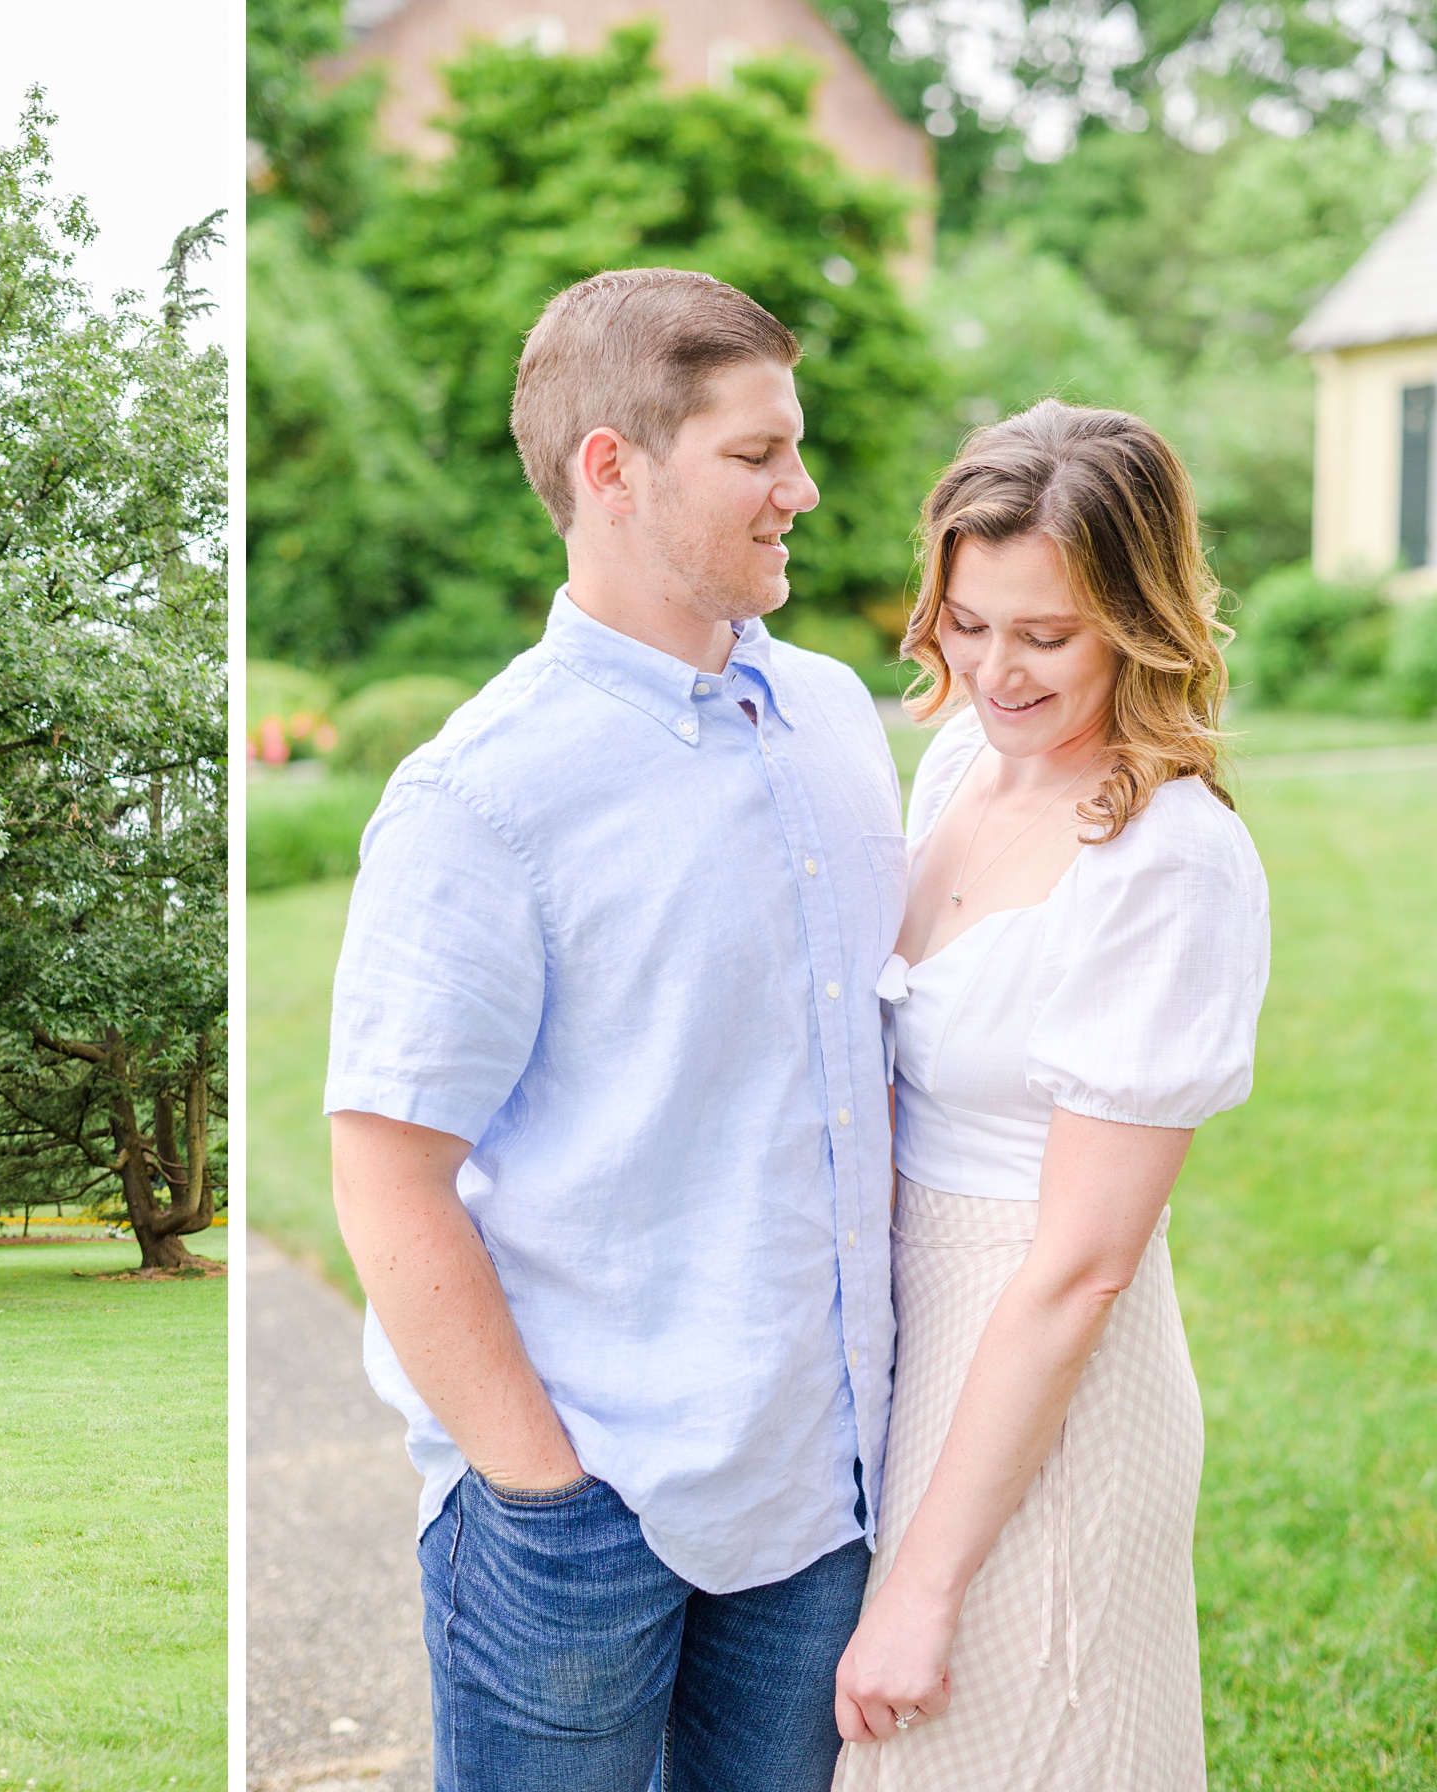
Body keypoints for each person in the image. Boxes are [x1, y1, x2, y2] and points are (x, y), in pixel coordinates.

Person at [325, 268, 904, 1791]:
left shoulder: (840, 719)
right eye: (758, 454)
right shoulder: (482, 797)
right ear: (612, 469)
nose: (806, 487)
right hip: (583, 1518)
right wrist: (540, 1487)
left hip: (816, 1498)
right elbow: (387, 1175)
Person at [830, 401, 1270, 1787]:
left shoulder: (1166, 863)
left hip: (1039, 1361)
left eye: (1046, 635)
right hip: (911, 1321)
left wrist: (922, 1583)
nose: (994, 670)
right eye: (967, 622)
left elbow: (1081, 1269)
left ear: (1136, 621)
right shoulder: (962, 758)